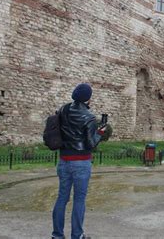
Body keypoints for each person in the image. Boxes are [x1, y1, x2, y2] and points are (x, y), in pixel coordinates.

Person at [52, 83, 106, 239]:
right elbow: (91, 143)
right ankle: (77, 235)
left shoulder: (63, 109)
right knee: (79, 199)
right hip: (81, 162)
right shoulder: (88, 117)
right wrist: (100, 133)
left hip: (63, 160)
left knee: (62, 197)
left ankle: (57, 235)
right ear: (88, 99)